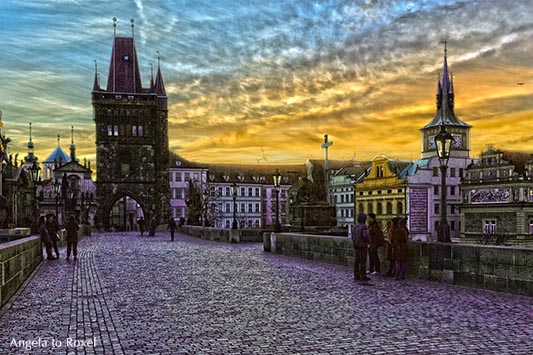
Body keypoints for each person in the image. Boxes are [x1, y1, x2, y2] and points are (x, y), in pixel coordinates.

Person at [351, 212, 371, 282]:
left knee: (357, 262)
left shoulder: (354, 226)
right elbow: (365, 236)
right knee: (363, 262)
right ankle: (363, 276)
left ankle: (356, 276)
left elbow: (352, 236)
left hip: (356, 246)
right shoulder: (363, 226)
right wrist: (369, 242)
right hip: (362, 246)